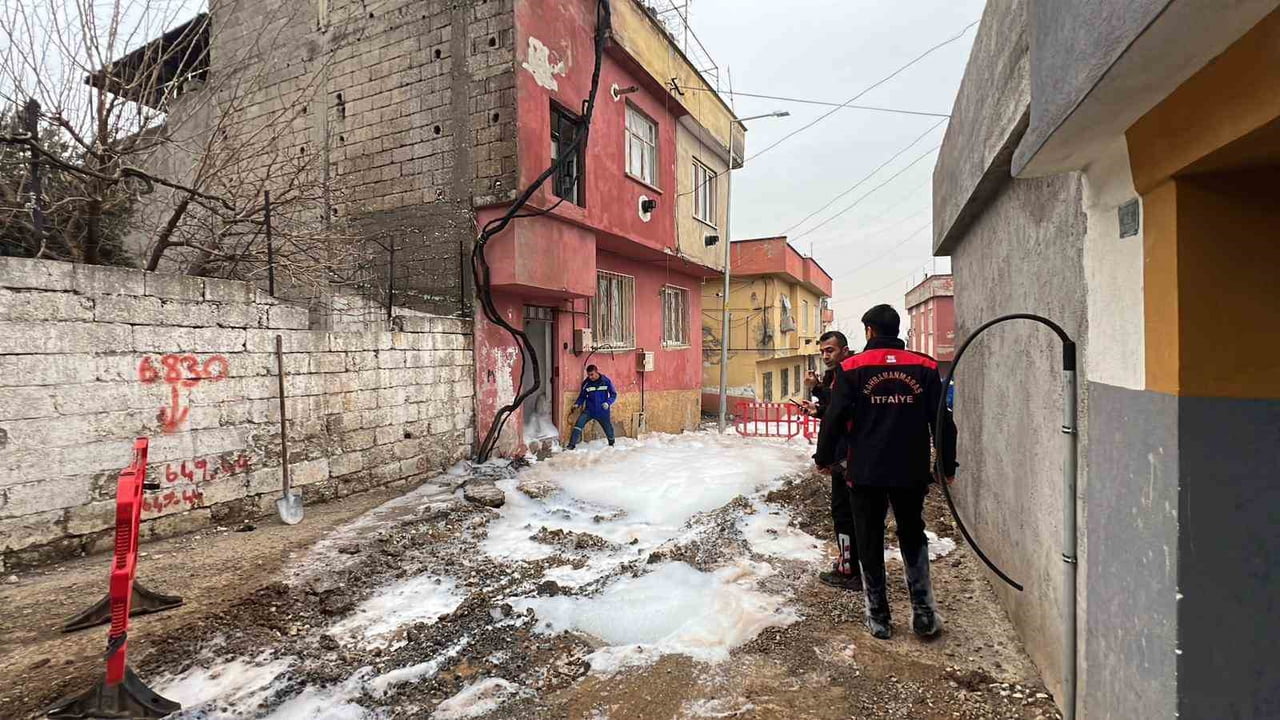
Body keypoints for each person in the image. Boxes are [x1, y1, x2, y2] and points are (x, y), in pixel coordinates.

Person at [815, 304, 957, 640]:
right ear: (897, 330)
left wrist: (823, 457)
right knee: (912, 533)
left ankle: (879, 617)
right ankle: (924, 615)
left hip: (864, 471)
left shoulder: (851, 368)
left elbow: (834, 419)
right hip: (910, 470)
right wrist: (945, 466)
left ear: (869, 331)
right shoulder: (924, 366)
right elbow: (942, 422)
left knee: (869, 538)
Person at [799, 331, 862, 591]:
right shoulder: (835, 376)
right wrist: (818, 402)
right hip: (848, 456)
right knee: (847, 514)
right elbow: (835, 408)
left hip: (848, 457)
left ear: (844, 350)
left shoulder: (851, 375)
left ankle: (850, 570)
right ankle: (852, 564)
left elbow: (839, 418)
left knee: (846, 514)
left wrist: (822, 458)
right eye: (823, 351)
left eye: (830, 350)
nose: (825, 356)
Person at [568, 365, 617, 449]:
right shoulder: (586, 383)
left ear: (596, 372)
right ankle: (571, 445)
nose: (590, 377)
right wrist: (577, 404)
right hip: (589, 410)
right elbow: (582, 396)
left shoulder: (606, 381)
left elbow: (613, 394)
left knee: (608, 429)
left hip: (603, 410)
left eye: (592, 374)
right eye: (589, 375)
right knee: (578, 424)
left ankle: (611, 444)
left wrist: (608, 403)